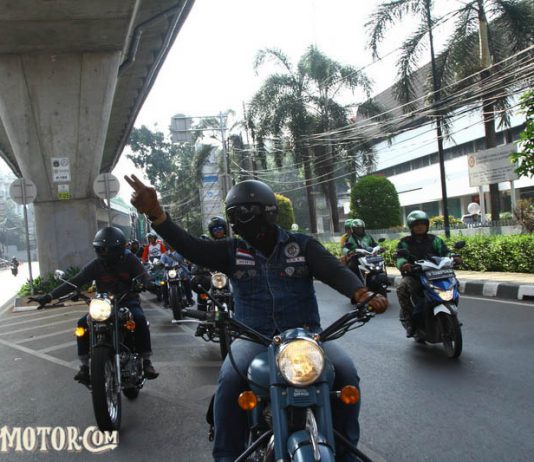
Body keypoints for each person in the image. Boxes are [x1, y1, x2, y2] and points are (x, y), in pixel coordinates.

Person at [125, 174, 388, 462]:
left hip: (307, 336)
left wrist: (362, 293)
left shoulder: (302, 246)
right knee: (229, 381)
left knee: (346, 373)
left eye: (243, 213)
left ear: (267, 212)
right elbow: (190, 247)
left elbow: (334, 271)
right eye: (233, 216)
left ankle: (347, 454)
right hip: (253, 337)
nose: (238, 222)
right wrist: (157, 214)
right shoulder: (231, 251)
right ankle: (226, 456)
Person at [30, 227, 159, 384]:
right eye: (101, 249)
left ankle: (146, 362)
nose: (105, 253)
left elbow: (144, 275)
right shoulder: (96, 265)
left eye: (108, 249)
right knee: (82, 324)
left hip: (127, 300)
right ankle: (85, 366)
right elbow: (75, 281)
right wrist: (48, 297)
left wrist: (149, 284)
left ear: (118, 249)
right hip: (103, 303)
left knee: (139, 319)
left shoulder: (130, 260)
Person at [395, 210, 462, 337]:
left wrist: (454, 257)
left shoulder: (435, 240)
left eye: (422, 224)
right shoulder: (404, 242)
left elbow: (445, 252)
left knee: (455, 284)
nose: (420, 227)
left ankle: (452, 313)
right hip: (416, 276)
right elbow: (399, 257)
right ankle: (409, 321)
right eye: (416, 224)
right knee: (402, 288)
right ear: (411, 227)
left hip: (437, 274)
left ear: (427, 225)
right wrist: (404, 264)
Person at [160, 243, 194, 310]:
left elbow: (187, 259)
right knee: (163, 283)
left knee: (187, 280)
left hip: (180, 271)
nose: (169, 245)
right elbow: (161, 262)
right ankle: (165, 301)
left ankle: (189, 299)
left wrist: (188, 261)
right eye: (168, 244)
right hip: (169, 272)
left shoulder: (180, 253)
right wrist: (159, 264)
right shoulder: (164, 255)